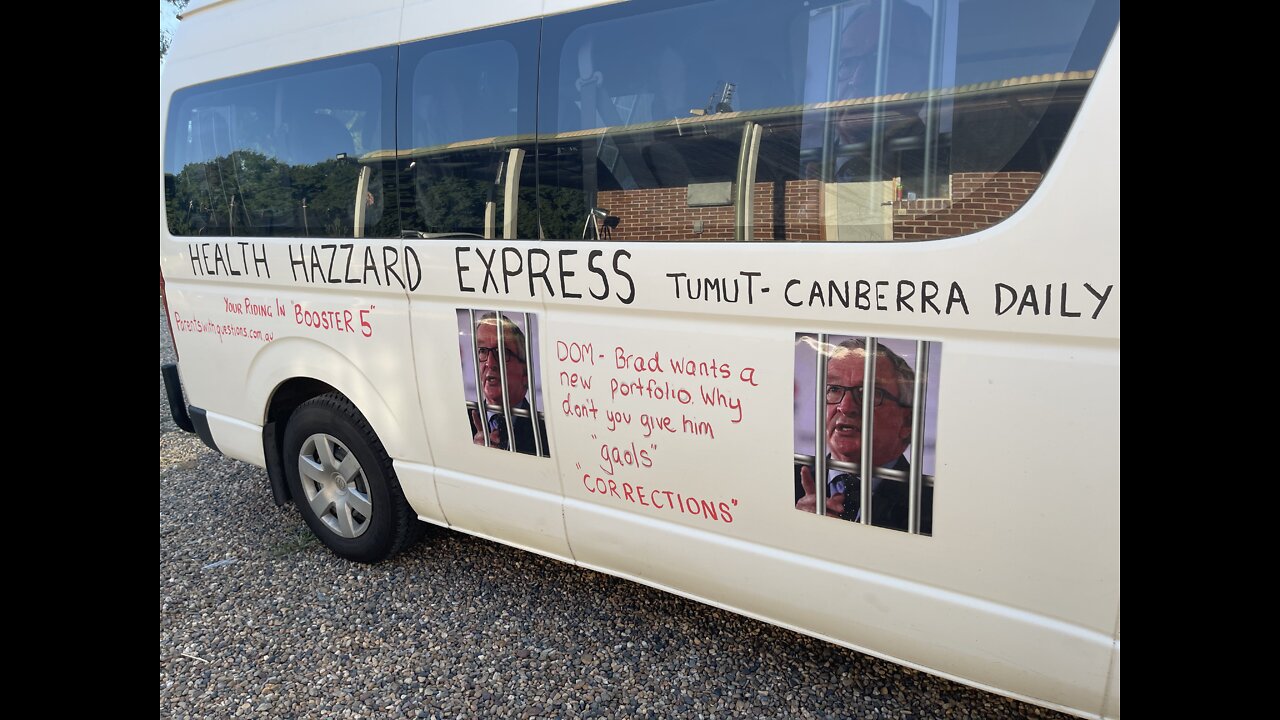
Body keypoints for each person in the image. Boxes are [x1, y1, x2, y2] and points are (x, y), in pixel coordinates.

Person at [794, 337, 932, 533]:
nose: (845, 406)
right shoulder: (787, 480)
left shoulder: (929, 507)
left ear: (907, 422)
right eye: (833, 389)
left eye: (869, 392)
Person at [830, 0, 933, 185]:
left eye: (882, 58)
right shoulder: (801, 163)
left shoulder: (942, 162)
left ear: (925, 77)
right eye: (847, 62)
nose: (857, 79)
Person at [467, 312, 549, 456]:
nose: (490, 363)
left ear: (525, 373)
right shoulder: (459, 420)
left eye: (503, 352)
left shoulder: (546, 433)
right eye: (482, 351)